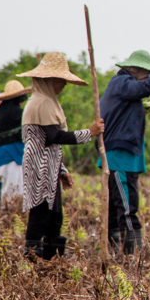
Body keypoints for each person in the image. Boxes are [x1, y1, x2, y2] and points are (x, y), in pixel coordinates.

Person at [17, 52, 104, 260]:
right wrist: (88, 133)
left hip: (47, 166)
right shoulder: (41, 103)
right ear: (49, 81)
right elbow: (53, 136)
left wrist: (61, 170)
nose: (63, 86)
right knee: (41, 214)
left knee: (54, 215)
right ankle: (33, 258)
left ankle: (50, 259)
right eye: (60, 81)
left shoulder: (44, 101)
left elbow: (50, 143)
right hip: (40, 167)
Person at [99, 49, 150, 256]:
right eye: (146, 72)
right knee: (125, 207)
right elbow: (148, 87)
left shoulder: (126, 88)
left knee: (123, 204)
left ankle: (123, 252)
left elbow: (144, 88)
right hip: (119, 156)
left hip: (127, 156)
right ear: (134, 69)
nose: (147, 77)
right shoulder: (121, 83)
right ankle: (131, 256)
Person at [0, 80, 31, 205]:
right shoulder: (17, 113)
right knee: (14, 191)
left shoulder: (0, 113)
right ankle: (11, 217)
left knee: (8, 189)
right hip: (11, 156)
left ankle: (8, 216)